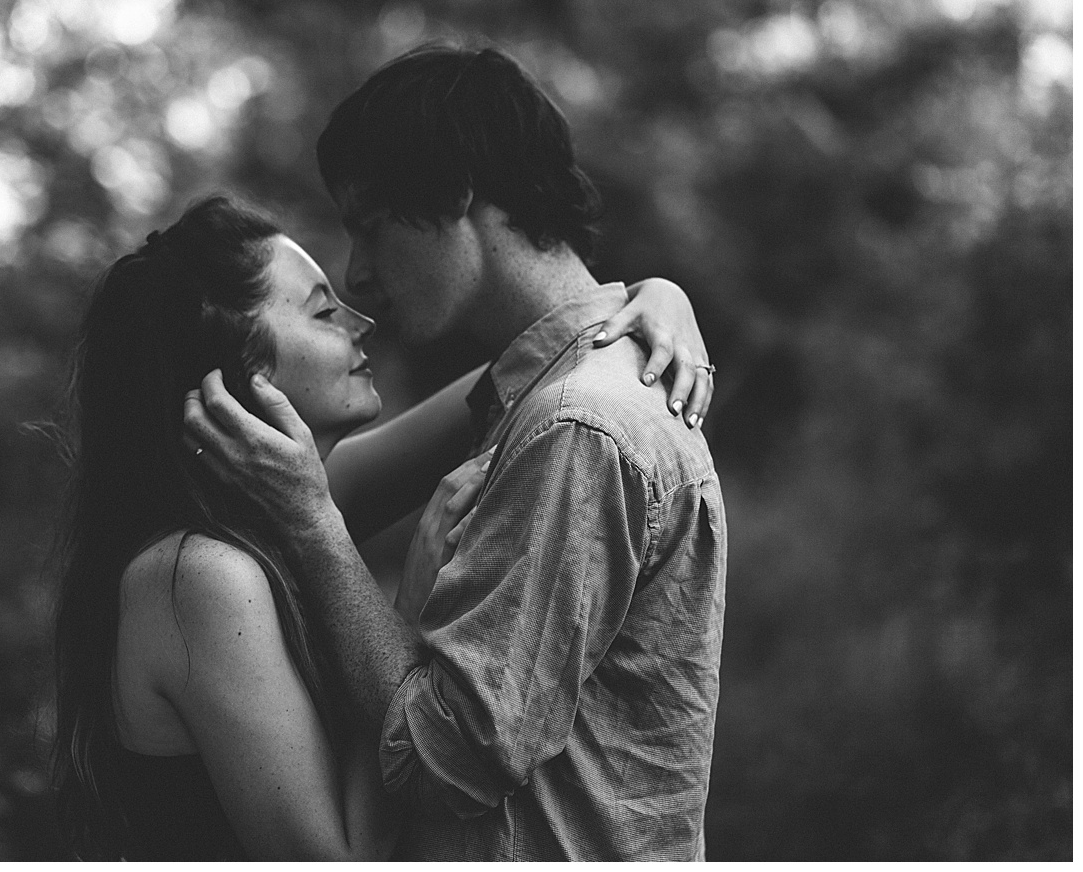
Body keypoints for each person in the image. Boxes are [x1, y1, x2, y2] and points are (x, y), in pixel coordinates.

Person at [184, 44, 729, 860]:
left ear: (457, 192)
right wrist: (656, 290)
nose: (359, 278)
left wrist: (313, 527)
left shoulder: (574, 424)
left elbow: (446, 761)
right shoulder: (558, 393)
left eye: (369, 227)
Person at [51, 193, 714, 859]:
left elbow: (543, 361)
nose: (361, 322)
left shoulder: (266, 509)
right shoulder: (198, 574)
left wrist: (652, 300)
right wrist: (410, 607)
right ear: (242, 368)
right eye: (323, 311)